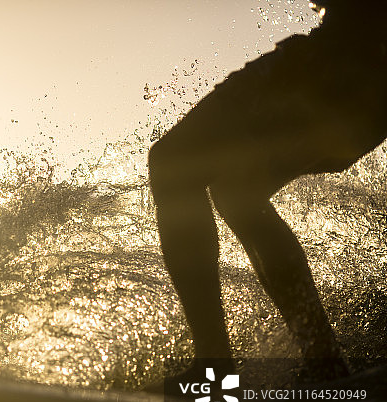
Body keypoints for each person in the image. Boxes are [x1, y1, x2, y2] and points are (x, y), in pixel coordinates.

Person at [148, 0, 387, 382]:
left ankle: (214, 365)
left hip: (335, 66)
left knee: (173, 162)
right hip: (360, 85)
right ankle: (323, 361)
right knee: (237, 192)